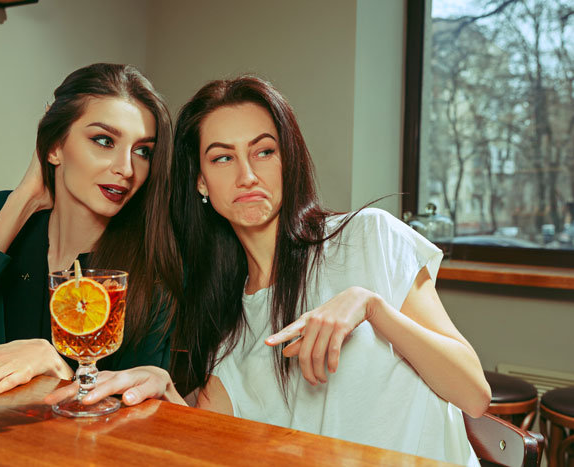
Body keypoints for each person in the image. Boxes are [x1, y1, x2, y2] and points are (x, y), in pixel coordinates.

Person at [46, 76, 490, 466]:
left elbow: (473, 393)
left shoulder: (369, 238)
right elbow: (203, 445)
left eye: (263, 151)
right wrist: (165, 389)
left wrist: (372, 306)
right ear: (200, 181)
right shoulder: (227, 334)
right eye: (222, 158)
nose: (247, 175)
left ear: (287, 160)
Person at [0, 63, 181, 402]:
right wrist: (24, 198)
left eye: (143, 151)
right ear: (54, 148)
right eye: (104, 140)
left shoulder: (154, 258)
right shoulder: (0, 213)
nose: (126, 168)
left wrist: (58, 369)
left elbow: (142, 409)